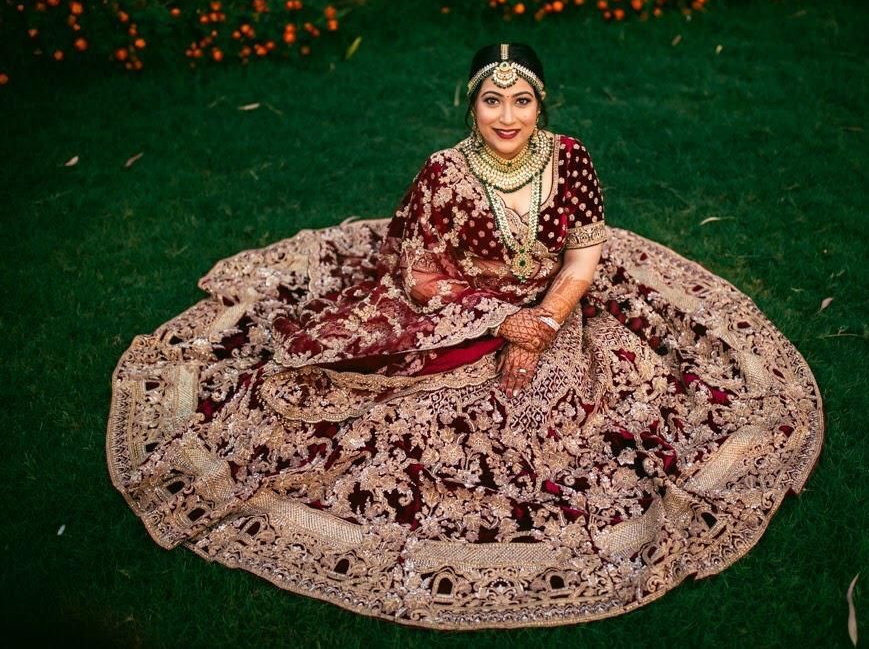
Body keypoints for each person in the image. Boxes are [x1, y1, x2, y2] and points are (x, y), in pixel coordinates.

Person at [107, 43, 824, 629]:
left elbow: (583, 257)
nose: (506, 115)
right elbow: (416, 274)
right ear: (471, 105)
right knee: (394, 415)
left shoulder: (570, 160)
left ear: (542, 106)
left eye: (521, 100)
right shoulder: (443, 174)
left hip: (555, 306)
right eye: (491, 99)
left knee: (570, 409)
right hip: (458, 308)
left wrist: (542, 322)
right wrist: (497, 318)